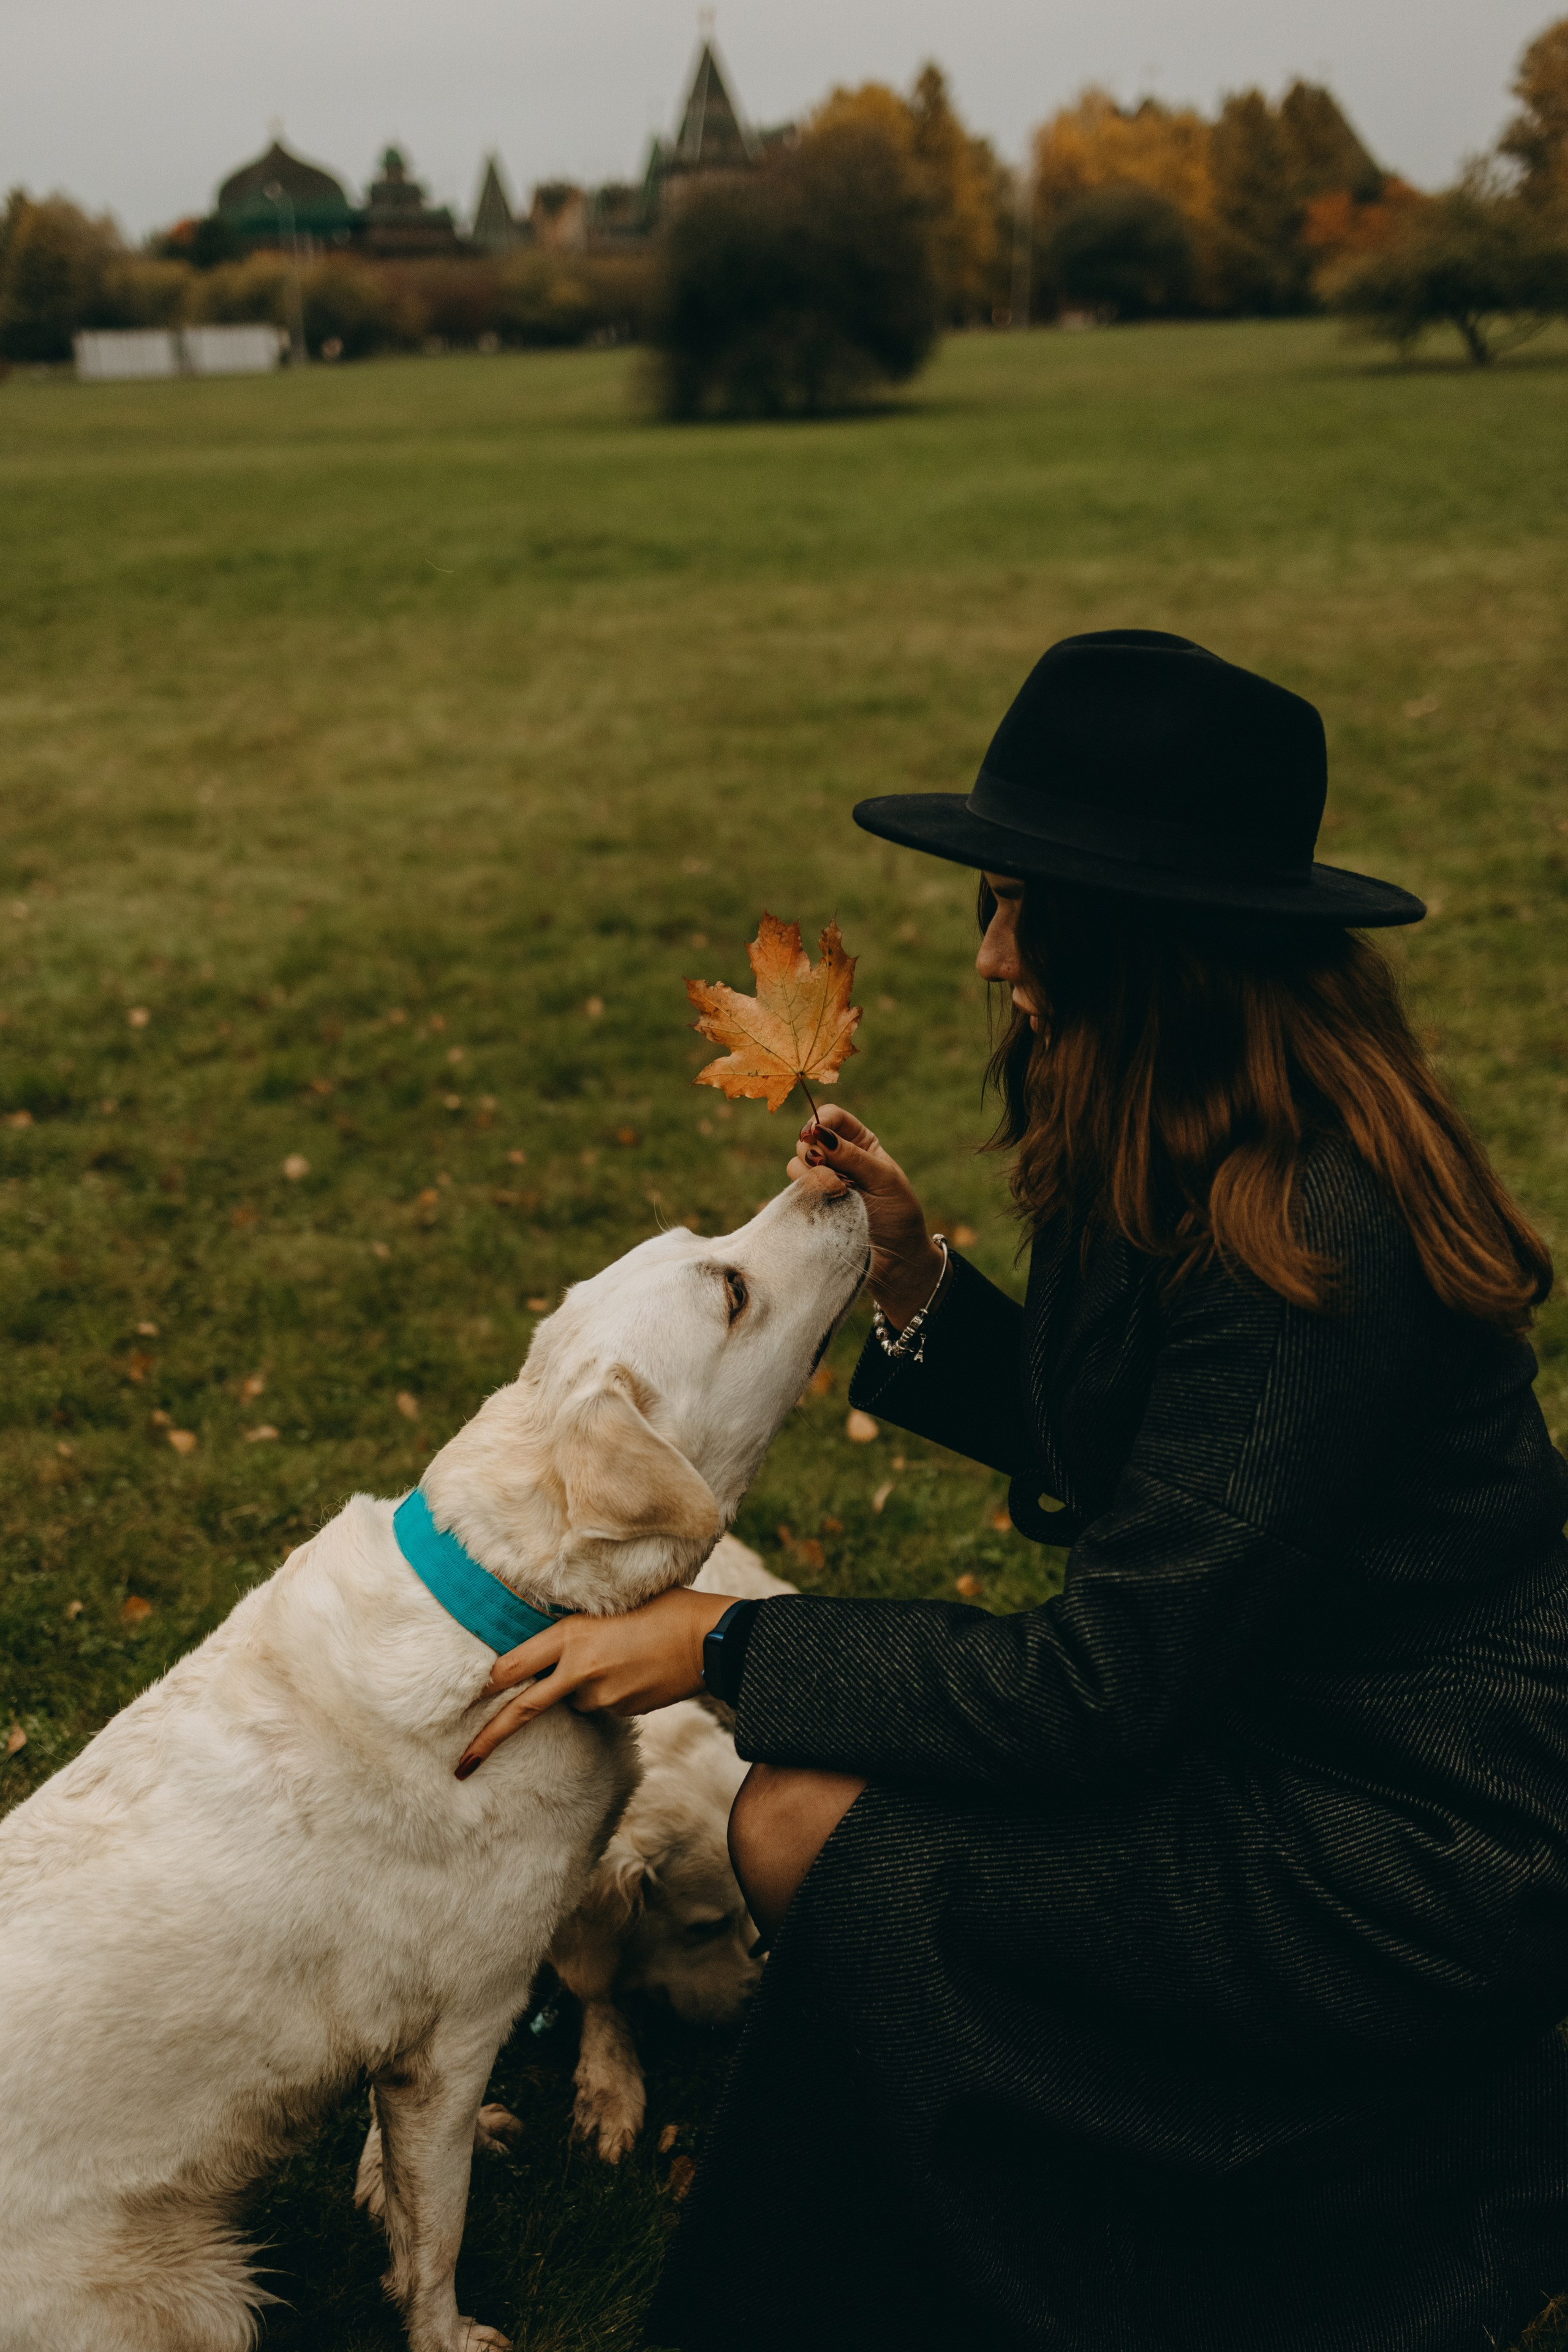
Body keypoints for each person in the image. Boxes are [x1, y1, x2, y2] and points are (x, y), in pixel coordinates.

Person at [460, 632, 1568, 2352]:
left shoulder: (1313, 1232)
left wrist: (727, 1646)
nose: (987, 955)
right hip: (1264, 1715)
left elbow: (1105, 1690)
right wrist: (913, 1281)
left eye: (1016, 909)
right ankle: (1047, 2167)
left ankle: (1256, 2208)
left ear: (1149, 936)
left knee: (809, 1826)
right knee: (810, 1818)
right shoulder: (1188, 1121)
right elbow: (1163, 1462)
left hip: (1410, 1838)